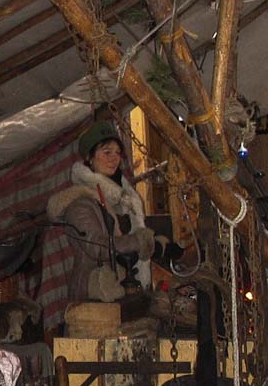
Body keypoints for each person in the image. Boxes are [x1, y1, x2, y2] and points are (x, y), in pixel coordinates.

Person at [46, 121, 182, 303]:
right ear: (90, 157)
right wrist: (140, 241)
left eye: (117, 153)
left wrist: (158, 246)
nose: (114, 159)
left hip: (120, 289)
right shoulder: (80, 204)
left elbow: (124, 241)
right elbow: (97, 247)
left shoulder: (122, 200)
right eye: (107, 152)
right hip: (94, 296)